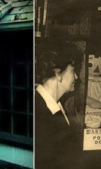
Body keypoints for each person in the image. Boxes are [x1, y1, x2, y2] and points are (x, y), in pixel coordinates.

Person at [35, 41, 83, 169]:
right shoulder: (39, 114)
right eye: (73, 71)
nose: (77, 77)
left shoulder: (57, 105)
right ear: (58, 74)